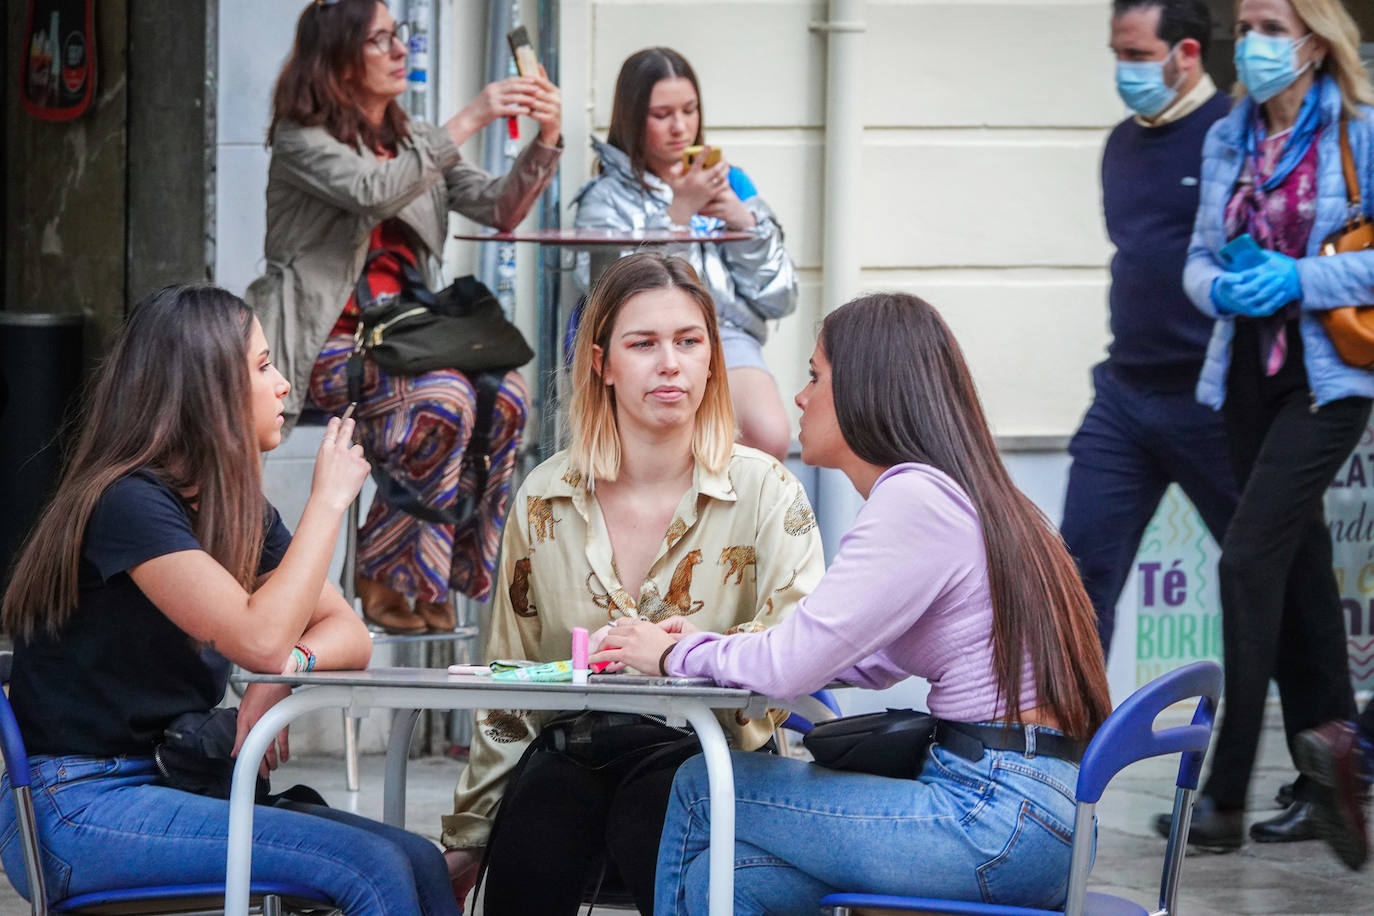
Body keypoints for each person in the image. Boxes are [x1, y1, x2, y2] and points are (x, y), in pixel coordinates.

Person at [596, 292, 1113, 914]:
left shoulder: (914, 502)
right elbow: (851, 657)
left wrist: (671, 654)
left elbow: (790, 667)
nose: (800, 397)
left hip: (993, 817)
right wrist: (715, 646)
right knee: (729, 879)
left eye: (816, 376)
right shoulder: (964, 493)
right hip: (1038, 815)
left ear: (867, 389)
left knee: (702, 786)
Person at [0, 285, 459, 915]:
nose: (283, 384)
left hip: (174, 782)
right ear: (206, 388)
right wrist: (328, 503)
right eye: (263, 366)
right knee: (371, 867)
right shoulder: (128, 502)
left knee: (418, 860)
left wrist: (286, 670)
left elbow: (348, 634)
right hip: (77, 803)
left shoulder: (236, 512)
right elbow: (260, 639)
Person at [439, 253, 824, 914]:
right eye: (643, 344)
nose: (670, 363)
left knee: (654, 809)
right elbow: (511, 683)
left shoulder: (767, 491)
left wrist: (689, 652)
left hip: (710, 758)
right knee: (540, 818)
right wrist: (471, 835)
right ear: (602, 364)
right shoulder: (545, 496)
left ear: (712, 360)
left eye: (689, 341)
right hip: (574, 754)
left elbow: (800, 645)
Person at [247, 0, 562, 634]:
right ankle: (389, 575)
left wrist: (547, 137)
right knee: (442, 399)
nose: (400, 51)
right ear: (339, 58)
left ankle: (440, 577)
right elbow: (374, 190)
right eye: (380, 40)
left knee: (507, 396)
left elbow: (499, 208)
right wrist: (472, 115)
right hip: (319, 342)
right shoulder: (302, 139)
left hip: (407, 338)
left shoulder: (416, 138)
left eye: (401, 36)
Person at [1150, 0, 1374, 860]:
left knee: (1246, 562)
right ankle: (1335, 776)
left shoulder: (1357, 131)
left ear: (1315, 40)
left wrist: (1298, 279)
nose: (1253, 44)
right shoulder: (1228, 136)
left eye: (1273, 29)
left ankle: (1224, 794)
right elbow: (1198, 259)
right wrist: (1222, 287)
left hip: (1329, 378)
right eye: (1246, 27)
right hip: (1245, 374)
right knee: (1301, 570)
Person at [1062, 0, 1237, 654]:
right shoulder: (1122, 144)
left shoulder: (1235, 135)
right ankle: (1065, 723)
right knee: (1073, 576)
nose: (1123, 70)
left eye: (1137, 56)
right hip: (1124, 394)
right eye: (1118, 54)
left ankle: (1317, 715)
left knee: (1268, 575)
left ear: (1186, 53)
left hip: (1214, 399)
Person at [573, 47, 798, 462]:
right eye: (662, 115)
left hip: (725, 333)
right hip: (642, 338)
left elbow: (780, 299)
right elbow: (605, 292)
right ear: (632, 117)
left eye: (690, 110)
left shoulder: (732, 182)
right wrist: (677, 216)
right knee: (668, 445)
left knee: (768, 436)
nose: (680, 127)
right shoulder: (605, 197)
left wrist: (745, 226)